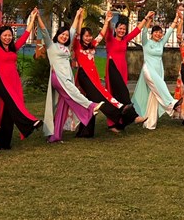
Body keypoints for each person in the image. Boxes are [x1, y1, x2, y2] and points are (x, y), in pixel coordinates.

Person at [37, 9, 133, 142]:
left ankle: (85, 131)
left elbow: (101, 35)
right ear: (81, 37)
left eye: (89, 36)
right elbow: (74, 32)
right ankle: (114, 110)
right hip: (82, 76)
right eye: (85, 36)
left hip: (92, 77)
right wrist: (79, 17)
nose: (88, 38)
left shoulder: (91, 45)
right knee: (98, 97)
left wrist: (107, 21)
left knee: (90, 98)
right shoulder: (76, 45)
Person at [0, 9, 42, 150]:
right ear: (0, 36)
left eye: (9, 35)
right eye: (5, 35)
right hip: (1, 81)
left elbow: (26, 35)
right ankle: (28, 123)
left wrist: (32, 18)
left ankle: (3, 143)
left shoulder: (13, 48)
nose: (7, 38)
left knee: (8, 111)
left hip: (13, 81)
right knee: (13, 105)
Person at [98, 3, 146, 130]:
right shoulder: (110, 39)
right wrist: (108, 20)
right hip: (112, 70)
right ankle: (115, 123)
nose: (122, 31)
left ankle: (120, 123)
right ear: (116, 29)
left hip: (122, 69)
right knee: (114, 96)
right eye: (120, 28)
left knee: (121, 96)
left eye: (124, 29)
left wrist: (146, 19)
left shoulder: (125, 40)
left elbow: (136, 31)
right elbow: (108, 31)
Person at [132, 10, 181, 129]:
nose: (158, 34)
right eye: (156, 32)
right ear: (152, 33)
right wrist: (148, 19)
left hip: (158, 71)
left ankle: (150, 123)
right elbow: (144, 31)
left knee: (153, 96)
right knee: (161, 85)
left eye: (160, 33)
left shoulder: (161, 43)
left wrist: (176, 18)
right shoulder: (146, 42)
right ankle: (171, 103)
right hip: (148, 70)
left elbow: (170, 31)